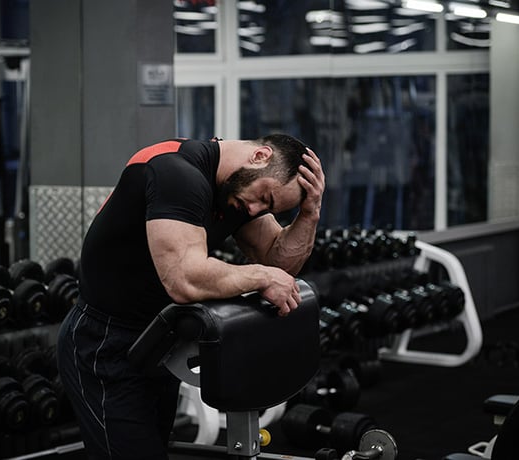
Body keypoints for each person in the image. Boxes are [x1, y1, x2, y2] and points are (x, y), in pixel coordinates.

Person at [57, 134, 325, 460]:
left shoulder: (237, 188)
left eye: (268, 207)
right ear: (259, 156)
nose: (256, 209)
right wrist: (260, 276)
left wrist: (309, 213)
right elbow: (183, 279)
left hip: (157, 338)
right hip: (104, 342)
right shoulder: (176, 173)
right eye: (264, 196)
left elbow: (279, 263)